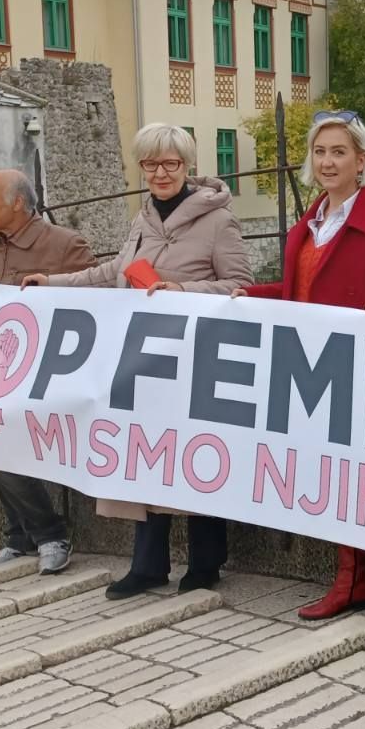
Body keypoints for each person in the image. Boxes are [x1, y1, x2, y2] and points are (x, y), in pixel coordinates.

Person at [25, 123, 254, 599]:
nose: (160, 172)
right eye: (150, 164)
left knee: (194, 457)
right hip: (144, 362)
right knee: (143, 459)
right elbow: (112, 271)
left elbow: (241, 286)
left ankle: (206, 563)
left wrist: (181, 290)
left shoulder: (218, 221)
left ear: (187, 166)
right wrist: (53, 282)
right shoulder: (142, 217)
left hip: (195, 360)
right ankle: (148, 565)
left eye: (170, 163)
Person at [235, 110, 365, 629]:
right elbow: (298, 294)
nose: (327, 161)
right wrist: (246, 296)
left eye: (338, 152)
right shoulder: (309, 225)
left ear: (361, 160)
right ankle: (351, 581)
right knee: (335, 480)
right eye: (320, 152)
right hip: (313, 370)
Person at [0, 169, 94, 574]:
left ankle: (50, 534)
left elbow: (99, 307)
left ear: (17, 203)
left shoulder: (66, 245)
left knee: (3, 447)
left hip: (48, 372)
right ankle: (20, 537)